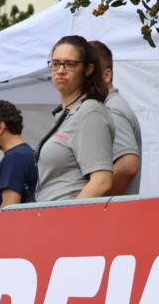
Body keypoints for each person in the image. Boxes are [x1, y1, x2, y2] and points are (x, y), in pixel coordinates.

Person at [35, 35, 115, 202]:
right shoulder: (68, 113)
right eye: (55, 63)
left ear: (88, 69)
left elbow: (102, 181)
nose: (60, 70)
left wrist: (66, 216)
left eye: (70, 64)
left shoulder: (90, 111)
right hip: (50, 216)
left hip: (67, 220)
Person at [89, 40, 143, 196]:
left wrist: (87, 202)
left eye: (89, 73)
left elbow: (127, 166)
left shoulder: (111, 110)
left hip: (107, 216)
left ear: (107, 75)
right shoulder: (105, 108)